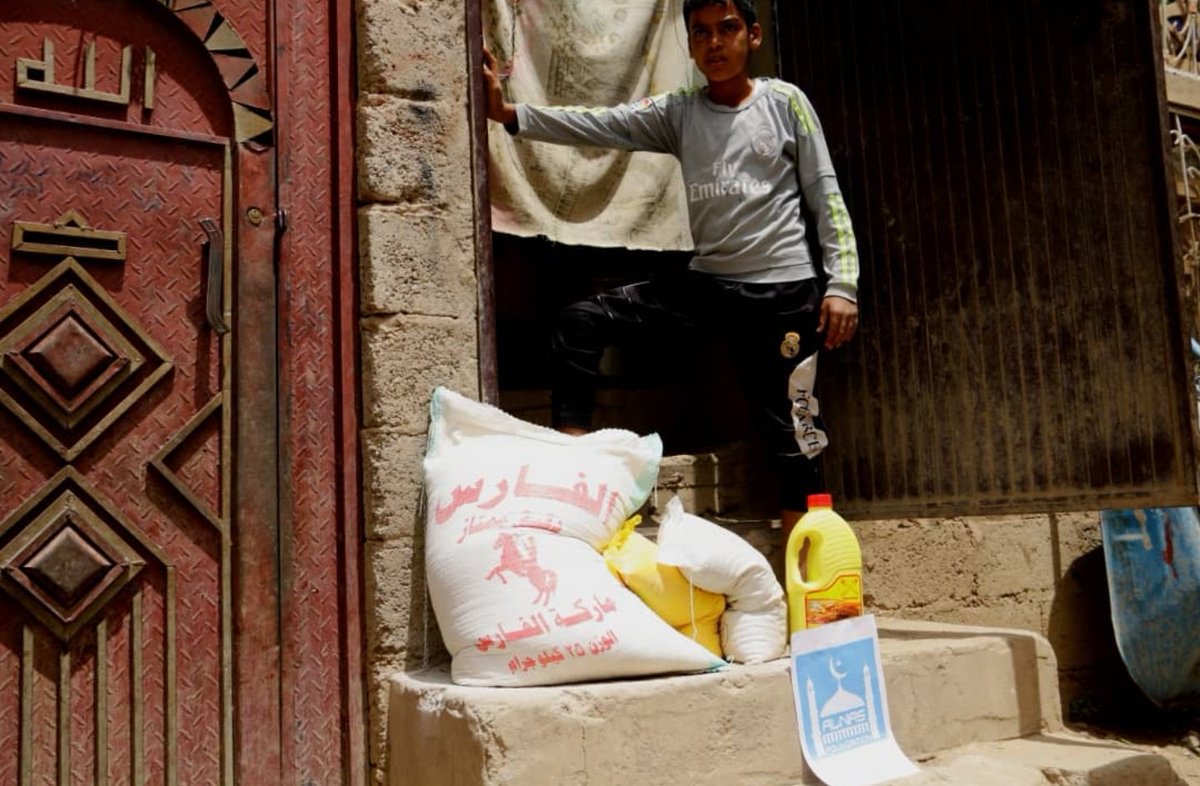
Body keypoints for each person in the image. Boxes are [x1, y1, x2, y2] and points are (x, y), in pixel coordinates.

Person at [482, 0, 860, 540]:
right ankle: (573, 485)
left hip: (783, 296)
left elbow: (825, 194)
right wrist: (510, 115)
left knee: (793, 436)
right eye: (700, 32)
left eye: (727, 29)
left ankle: (810, 574)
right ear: (689, 44)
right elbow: (602, 123)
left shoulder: (785, 103)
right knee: (580, 322)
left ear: (753, 36)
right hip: (709, 287)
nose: (714, 43)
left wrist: (842, 284)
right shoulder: (680, 111)